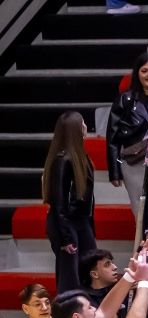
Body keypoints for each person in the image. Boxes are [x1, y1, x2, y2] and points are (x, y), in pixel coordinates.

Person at [43, 111, 96, 293]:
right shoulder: (62, 160)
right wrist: (66, 237)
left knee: (90, 268)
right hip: (66, 223)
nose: (86, 127)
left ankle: (88, 305)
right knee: (69, 276)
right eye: (83, 124)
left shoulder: (81, 157)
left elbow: (87, 199)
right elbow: (59, 203)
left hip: (81, 221)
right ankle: (69, 308)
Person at [106, 52, 148, 213]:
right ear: (137, 73)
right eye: (144, 71)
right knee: (140, 207)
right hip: (134, 162)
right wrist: (114, 172)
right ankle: (141, 231)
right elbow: (112, 138)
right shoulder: (125, 100)